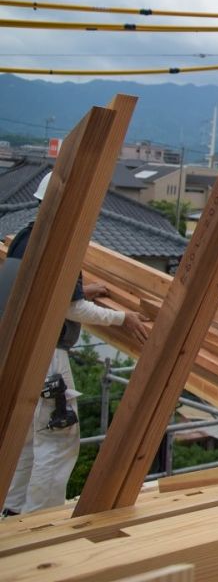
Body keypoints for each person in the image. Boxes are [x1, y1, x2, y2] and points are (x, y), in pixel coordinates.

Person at [2, 172, 150, 516]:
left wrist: (81, 289)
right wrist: (122, 318)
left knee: (25, 438)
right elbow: (68, 306)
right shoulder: (60, 241)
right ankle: (41, 520)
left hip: (16, 351)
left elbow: (42, 291)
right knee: (56, 440)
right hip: (46, 356)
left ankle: (12, 512)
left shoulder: (25, 236)